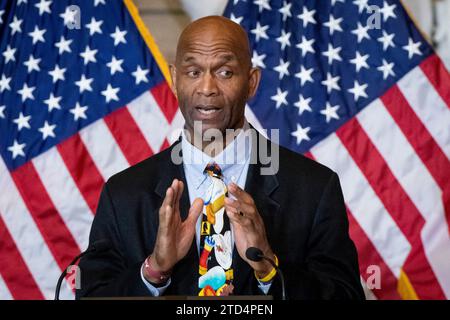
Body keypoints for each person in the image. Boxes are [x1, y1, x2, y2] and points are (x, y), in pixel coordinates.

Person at [76, 16, 365, 300]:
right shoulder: (123, 193)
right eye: (193, 72)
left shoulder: (314, 187)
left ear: (251, 82)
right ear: (175, 80)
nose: (207, 88)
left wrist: (268, 268)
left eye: (225, 72)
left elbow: (346, 295)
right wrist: (154, 270)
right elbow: (91, 294)